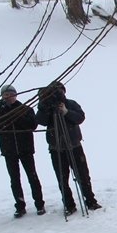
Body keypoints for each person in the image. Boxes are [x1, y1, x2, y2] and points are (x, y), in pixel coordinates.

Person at [37, 81, 101, 216]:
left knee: (83, 176)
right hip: (57, 148)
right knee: (62, 178)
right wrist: (44, 106)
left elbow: (80, 118)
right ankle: (69, 205)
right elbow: (41, 121)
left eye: (60, 91)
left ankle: (91, 201)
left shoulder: (71, 104)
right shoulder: (48, 106)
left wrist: (66, 112)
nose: (58, 94)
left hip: (74, 146)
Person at [0, 84, 46, 218]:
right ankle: (20, 206)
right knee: (14, 180)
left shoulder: (25, 109)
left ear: (16, 95)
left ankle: (39, 204)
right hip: (9, 151)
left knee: (32, 177)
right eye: (5, 95)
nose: (8, 97)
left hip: (26, 149)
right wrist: (4, 116)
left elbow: (33, 125)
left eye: (10, 94)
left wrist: (17, 117)